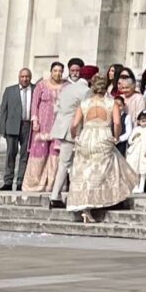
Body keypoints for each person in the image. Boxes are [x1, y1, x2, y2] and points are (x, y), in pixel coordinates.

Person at [66, 72, 135, 224]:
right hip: (103, 135)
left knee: (84, 171)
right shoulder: (111, 103)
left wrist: (75, 137)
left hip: (86, 136)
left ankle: (85, 206)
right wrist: (116, 137)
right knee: (99, 170)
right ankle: (96, 201)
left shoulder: (84, 104)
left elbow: (74, 124)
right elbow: (117, 123)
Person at [49, 59, 91, 206]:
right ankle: (56, 196)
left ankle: (65, 195)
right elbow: (86, 111)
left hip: (62, 126)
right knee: (67, 163)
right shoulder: (85, 91)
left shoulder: (67, 88)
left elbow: (56, 108)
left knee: (68, 163)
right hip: (73, 129)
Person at [22, 63, 64, 195]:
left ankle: (52, 184)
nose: (57, 73)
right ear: (51, 71)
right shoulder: (41, 85)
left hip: (58, 125)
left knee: (55, 155)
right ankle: (34, 183)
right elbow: (34, 104)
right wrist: (35, 120)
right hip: (42, 124)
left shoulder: (66, 86)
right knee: (39, 152)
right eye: (55, 71)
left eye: (60, 71)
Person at [0, 67, 35, 191]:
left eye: (27, 76)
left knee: (25, 155)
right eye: (22, 77)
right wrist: (2, 129)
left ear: (30, 77)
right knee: (10, 154)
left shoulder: (35, 90)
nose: (25, 79)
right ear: (19, 78)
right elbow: (3, 110)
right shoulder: (10, 91)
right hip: (12, 126)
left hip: (28, 126)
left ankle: (21, 182)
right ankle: (8, 181)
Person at [126, 106, 146, 193]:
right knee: (135, 169)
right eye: (142, 121)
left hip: (145, 152)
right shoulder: (136, 129)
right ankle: (135, 186)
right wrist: (134, 138)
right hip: (136, 152)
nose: (144, 123)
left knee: (143, 170)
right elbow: (130, 140)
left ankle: (142, 187)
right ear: (138, 121)